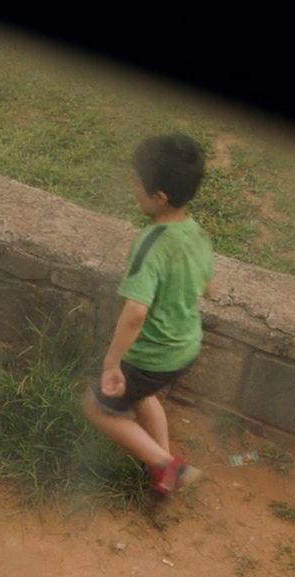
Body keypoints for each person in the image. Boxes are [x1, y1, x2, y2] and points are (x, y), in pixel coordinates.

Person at [82, 133, 214, 498]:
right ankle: (163, 474)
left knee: (96, 407)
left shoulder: (151, 244)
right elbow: (208, 285)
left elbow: (136, 311)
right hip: (184, 347)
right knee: (143, 397)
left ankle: (168, 466)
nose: (133, 189)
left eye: (137, 184)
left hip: (150, 355)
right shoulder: (197, 235)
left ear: (160, 197)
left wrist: (112, 363)